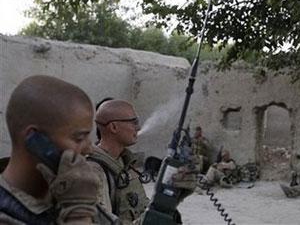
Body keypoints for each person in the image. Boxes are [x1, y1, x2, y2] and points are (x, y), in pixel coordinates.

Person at [0, 75, 100, 224]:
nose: (89, 149)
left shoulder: (72, 194)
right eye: (78, 139)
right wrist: (79, 215)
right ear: (34, 139)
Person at [88, 99, 196, 224]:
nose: (138, 127)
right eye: (133, 122)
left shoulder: (125, 164)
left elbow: (143, 208)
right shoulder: (94, 172)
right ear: (113, 127)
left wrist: (171, 199)